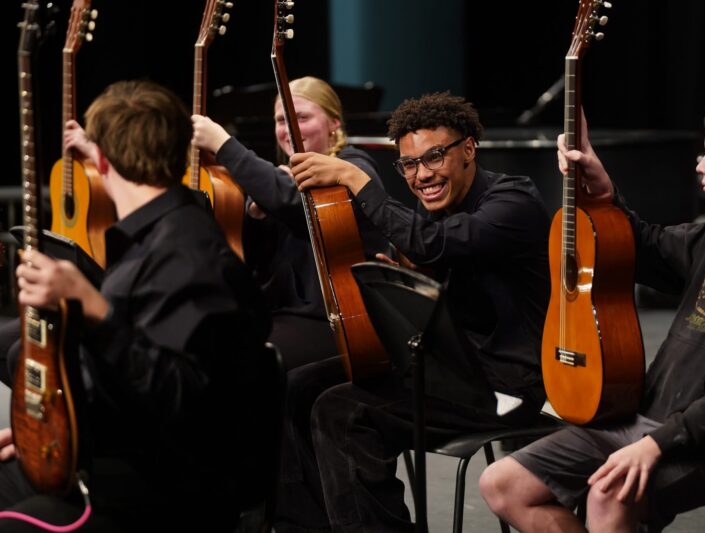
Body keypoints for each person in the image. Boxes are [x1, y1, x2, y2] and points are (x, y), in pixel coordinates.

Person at [479, 90, 705, 532]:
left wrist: (655, 445)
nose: (700, 165)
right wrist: (602, 188)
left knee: (609, 496)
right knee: (503, 484)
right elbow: (642, 248)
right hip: (651, 418)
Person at [0, 80, 275, 532]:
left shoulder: (189, 257)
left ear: (102, 160)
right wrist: (61, 433)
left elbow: (181, 401)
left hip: (150, 500)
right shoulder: (153, 240)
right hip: (106, 459)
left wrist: (96, 313)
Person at [271, 91, 552, 531]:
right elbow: (430, 256)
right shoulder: (438, 211)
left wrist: (354, 177)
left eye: (434, 157)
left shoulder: (512, 202)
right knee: (299, 386)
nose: (422, 175)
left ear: (469, 149)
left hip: (504, 384)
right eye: (409, 165)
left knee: (343, 412)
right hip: (449, 371)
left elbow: (434, 244)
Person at [191, 76, 389, 371]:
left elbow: (296, 203)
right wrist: (257, 217)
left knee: (242, 362)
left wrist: (223, 144)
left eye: (302, 117)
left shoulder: (354, 167)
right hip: (288, 313)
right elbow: (259, 262)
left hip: (342, 319)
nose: (289, 129)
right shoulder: (286, 178)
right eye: (281, 120)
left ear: (334, 123)